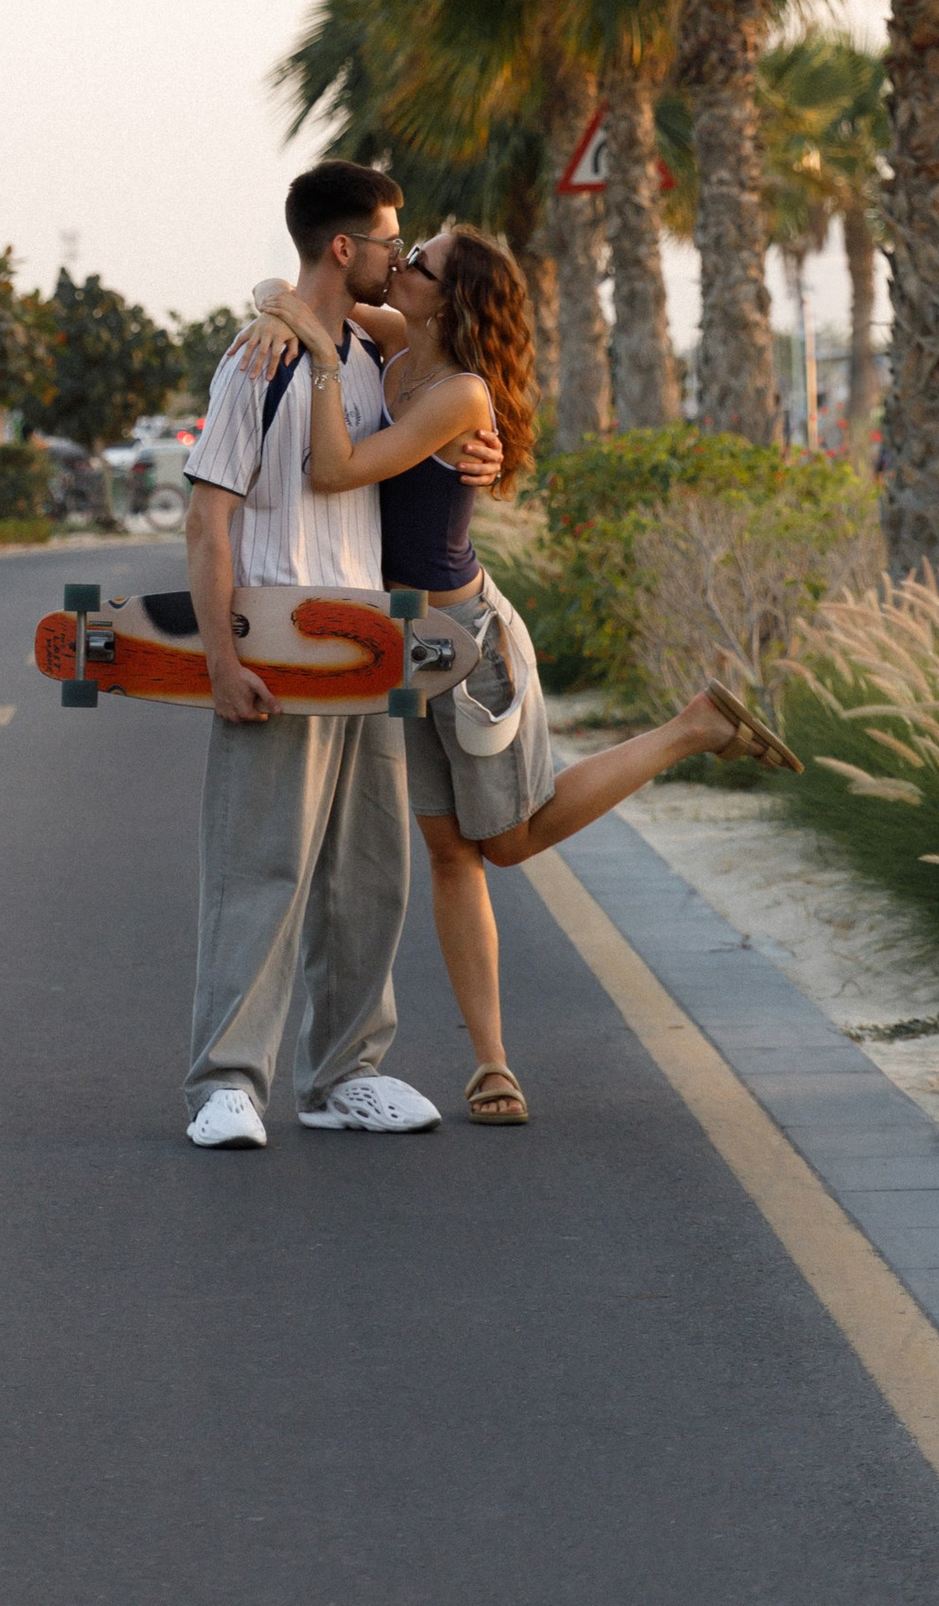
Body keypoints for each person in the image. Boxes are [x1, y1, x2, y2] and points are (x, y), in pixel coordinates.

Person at [244, 222, 799, 1126]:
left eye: (419, 264)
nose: (402, 264)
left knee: (506, 842)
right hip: (394, 648)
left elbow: (336, 468)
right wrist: (281, 310)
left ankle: (691, 728)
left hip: (466, 642)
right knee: (450, 852)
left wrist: (309, 354)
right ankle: (492, 1065)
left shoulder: (461, 392)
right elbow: (297, 290)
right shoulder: (393, 349)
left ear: (449, 298)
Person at [181, 159, 503, 1152]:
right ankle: (228, 1081)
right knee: (262, 867)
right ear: (342, 246)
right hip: (274, 645)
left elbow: (457, 416)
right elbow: (206, 521)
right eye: (387, 242)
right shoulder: (259, 360)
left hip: (372, 649)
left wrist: (489, 459)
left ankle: (343, 1074)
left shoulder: (368, 355)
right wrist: (220, 662)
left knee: (369, 874)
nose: (398, 258)